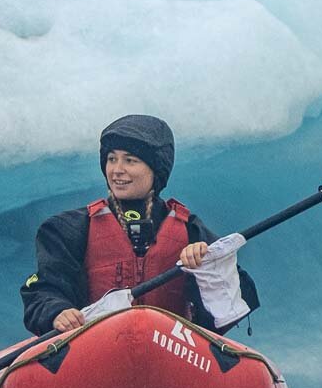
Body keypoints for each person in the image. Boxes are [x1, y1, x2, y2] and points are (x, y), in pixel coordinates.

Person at [20, 114, 258, 337]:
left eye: (130, 160)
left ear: (156, 170)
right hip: (94, 350)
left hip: (172, 356)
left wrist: (207, 269)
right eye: (111, 159)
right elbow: (42, 290)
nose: (117, 170)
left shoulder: (191, 231)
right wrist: (57, 312)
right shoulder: (69, 229)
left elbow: (236, 300)